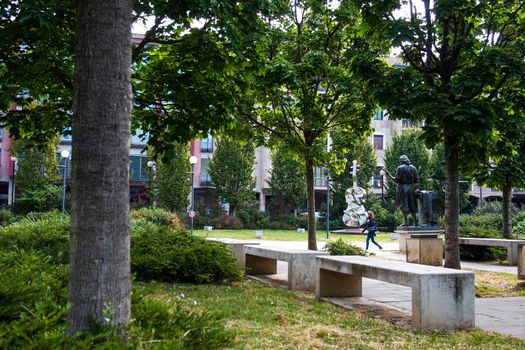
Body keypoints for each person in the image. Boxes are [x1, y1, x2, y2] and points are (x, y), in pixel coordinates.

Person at [384, 155, 419, 227]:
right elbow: (416, 180)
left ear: (402, 161)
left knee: (403, 204)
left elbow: (396, 180)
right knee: (412, 204)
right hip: (411, 188)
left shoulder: (400, 168)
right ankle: (415, 222)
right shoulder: (413, 168)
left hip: (402, 188)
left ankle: (406, 222)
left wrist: (388, 175)